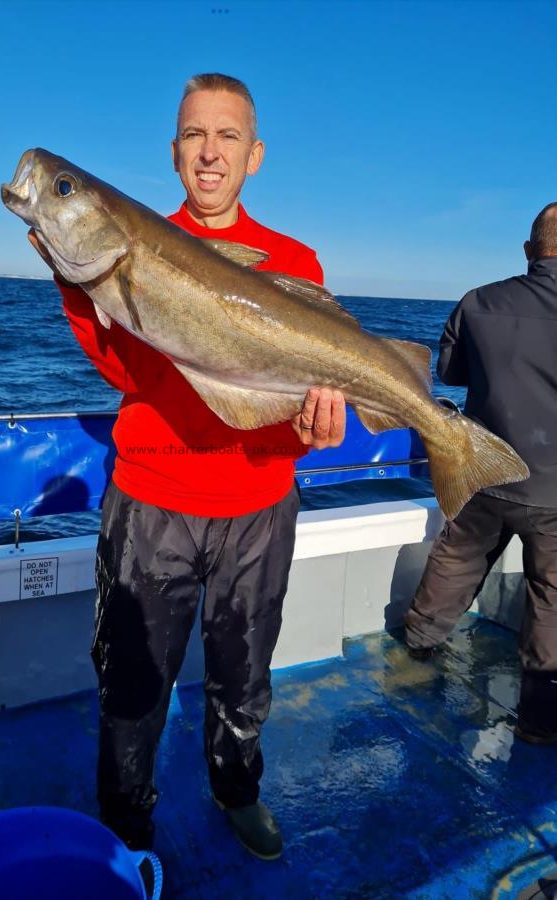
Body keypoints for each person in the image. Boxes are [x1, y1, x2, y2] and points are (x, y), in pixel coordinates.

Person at [29, 73, 346, 859]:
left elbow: (293, 391)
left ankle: (236, 790)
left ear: (254, 155)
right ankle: (124, 823)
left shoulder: (294, 258)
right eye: (194, 136)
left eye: (227, 136)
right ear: (173, 154)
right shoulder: (138, 238)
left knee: (245, 677)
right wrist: (79, 283)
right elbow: (128, 373)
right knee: (133, 683)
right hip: (151, 504)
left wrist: (315, 424)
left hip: (259, 505)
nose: (210, 152)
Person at [404, 202, 557, 745]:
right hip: (555, 495)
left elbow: (448, 371)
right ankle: (540, 720)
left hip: (484, 470)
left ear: (528, 250)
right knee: (551, 598)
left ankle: (416, 652)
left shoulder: (479, 300)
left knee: (454, 564)